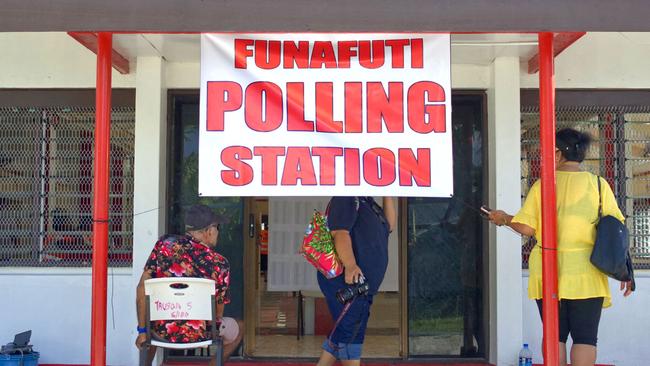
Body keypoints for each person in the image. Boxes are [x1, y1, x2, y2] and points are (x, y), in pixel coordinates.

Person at [487, 128, 634, 366]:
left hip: (549, 271)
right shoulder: (599, 185)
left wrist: (503, 217)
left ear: (557, 154)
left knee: (556, 336)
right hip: (588, 273)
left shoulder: (544, 185)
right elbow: (616, 229)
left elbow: (527, 228)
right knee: (586, 338)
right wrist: (627, 268)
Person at [135, 204, 244, 365]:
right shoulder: (219, 263)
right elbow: (218, 312)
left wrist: (142, 330)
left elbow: (141, 289)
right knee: (240, 327)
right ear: (209, 231)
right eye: (217, 227)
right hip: (201, 333)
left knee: (152, 323)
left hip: (160, 331)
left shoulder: (163, 246)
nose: (218, 232)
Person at [316, 197, 396, 366]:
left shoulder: (367, 202)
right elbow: (340, 233)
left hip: (362, 287)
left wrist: (388, 193)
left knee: (342, 333)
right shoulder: (346, 197)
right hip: (349, 284)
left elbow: (389, 225)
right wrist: (351, 265)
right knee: (351, 335)